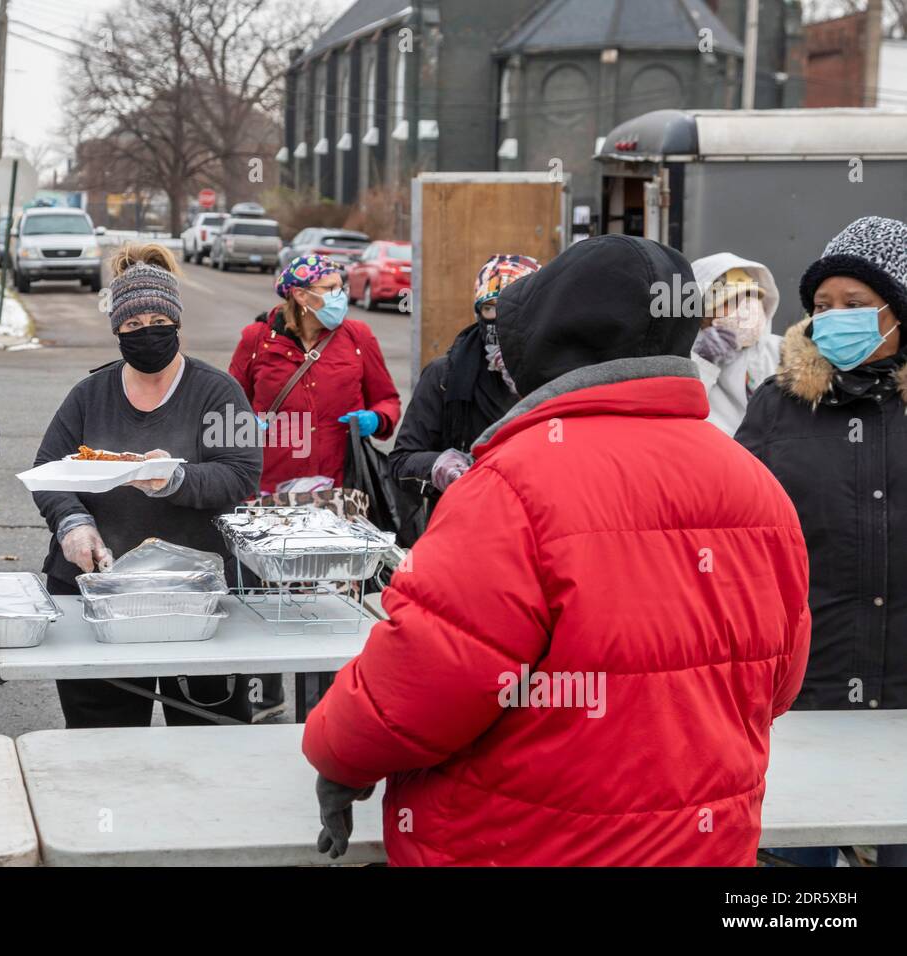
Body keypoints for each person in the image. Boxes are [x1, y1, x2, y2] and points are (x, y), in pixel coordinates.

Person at [302, 234, 810, 866]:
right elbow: (778, 685)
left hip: (526, 846)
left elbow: (422, 682)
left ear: (545, 337)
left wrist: (338, 755)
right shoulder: (758, 487)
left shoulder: (512, 486)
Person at [30, 243, 263, 728]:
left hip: (196, 599)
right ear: (117, 330)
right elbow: (48, 469)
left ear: (176, 322)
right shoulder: (90, 394)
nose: (146, 332)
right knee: (103, 740)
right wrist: (72, 523)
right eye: (133, 325)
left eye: (157, 320)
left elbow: (241, 474)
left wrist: (174, 478)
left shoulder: (219, 392)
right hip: (97, 592)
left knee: (208, 738)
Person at [737, 215, 907, 867]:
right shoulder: (778, 404)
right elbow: (736, 529)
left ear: (897, 313)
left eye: (856, 305)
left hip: (904, 694)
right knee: (796, 871)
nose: (834, 317)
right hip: (806, 694)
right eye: (823, 306)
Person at [230, 254, 400, 494]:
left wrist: (377, 419)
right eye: (330, 288)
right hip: (271, 486)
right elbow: (228, 405)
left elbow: (387, 400)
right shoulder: (257, 340)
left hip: (341, 484)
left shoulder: (358, 337)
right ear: (301, 295)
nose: (340, 296)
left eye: (341, 288)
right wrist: (244, 424)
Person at [388, 254, 539, 508]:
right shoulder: (445, 374)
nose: (499, 319)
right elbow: (402, 461)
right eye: (490, 308)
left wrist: (530, 390)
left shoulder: (561, 374)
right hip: (466, 519)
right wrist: (438, 466)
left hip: (540, 518)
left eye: (512, 308)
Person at [689, 253, 782, 436]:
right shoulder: (683, 361)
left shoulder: (785, 351)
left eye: (752, 297)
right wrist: (701, 362)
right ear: (703, 315)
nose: (747, 308)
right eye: (732, 301)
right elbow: (678, 411)